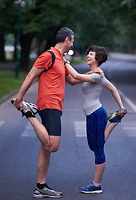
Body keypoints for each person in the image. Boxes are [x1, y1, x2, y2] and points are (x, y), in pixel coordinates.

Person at [13, 27, 102, 198]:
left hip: (56, 105)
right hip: (49, 103)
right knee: (53, 145)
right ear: (67, 40)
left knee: (46, 147)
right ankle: (29, 113)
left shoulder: (61, 59)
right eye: (72, 40)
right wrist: (19, 98)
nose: (73, 44)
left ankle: (41, 186)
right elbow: (31, 75)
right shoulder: (49, 55)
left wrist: (91, 73)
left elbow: (72, 80)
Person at [64, 45, 126, 194]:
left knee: (98, 149)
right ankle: (114, 122)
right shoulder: (94, 74)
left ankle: (96, 184)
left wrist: (65, 62)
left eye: (91, 54)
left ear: (97, 58)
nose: (88, 56)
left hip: (97, 114)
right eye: (88, 54)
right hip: (91, 115)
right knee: (93, 145)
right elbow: (72, 80)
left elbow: (78, 77)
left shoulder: (98, 76)